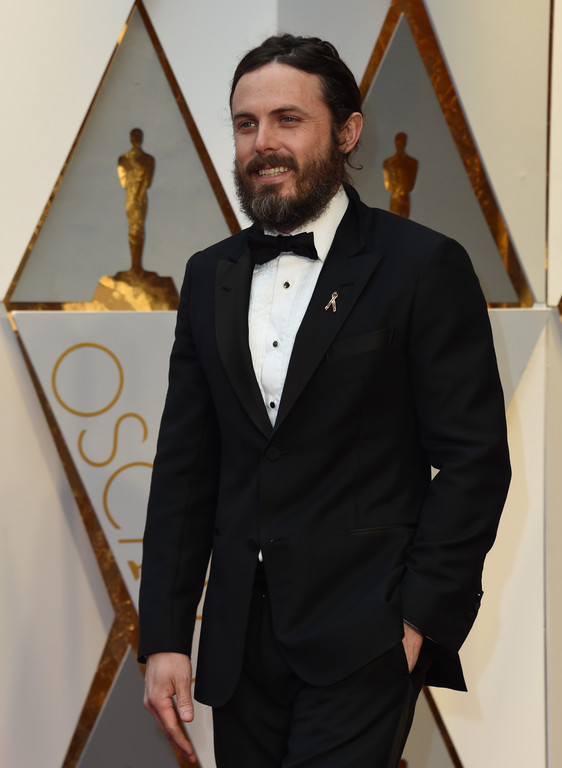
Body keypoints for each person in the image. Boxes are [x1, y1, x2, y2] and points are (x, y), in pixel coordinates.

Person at [138, 34, 511, 768]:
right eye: (246, 124)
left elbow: (474, 462)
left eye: (288, 119)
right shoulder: (208, 275)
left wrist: (418, 621)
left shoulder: (422, 265)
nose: (263, 143)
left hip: (365, 638)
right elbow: (185, 470)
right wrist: (167, 637)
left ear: (347, 131)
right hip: (238, 650)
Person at [117, 127, 155, 275]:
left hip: (140, 198)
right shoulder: (123, 159)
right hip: (132, 197)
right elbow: (124, 183)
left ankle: (137, 266)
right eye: (135, 136)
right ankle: (134, 266)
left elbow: (147, 182)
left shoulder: (148, 159)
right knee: (133, 229)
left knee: (138, 228)